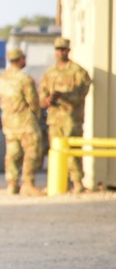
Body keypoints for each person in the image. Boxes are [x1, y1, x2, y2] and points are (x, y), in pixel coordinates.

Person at [39, 37, 92, 193]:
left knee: (73, 151)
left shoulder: (78, 72)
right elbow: (42, 95)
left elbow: (81, 94)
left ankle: (77, 182)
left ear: (68, 50)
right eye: (58, 49)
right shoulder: (49, 73)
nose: (60, 52)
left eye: (63, 49)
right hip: (54, 120)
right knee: (55, 152)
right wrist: (47, 100)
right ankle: (57, 182)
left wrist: (63, 96)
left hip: (71, 118)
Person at [0, 48, 45, 196]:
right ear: (21, 59)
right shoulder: (25, 79)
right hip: (25, 122)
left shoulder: (1, 79)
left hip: (9, 122)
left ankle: (12, 184)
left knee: (12, 153)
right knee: (32, 151)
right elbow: (33, 102)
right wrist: (37, 116)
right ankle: (28, 184)